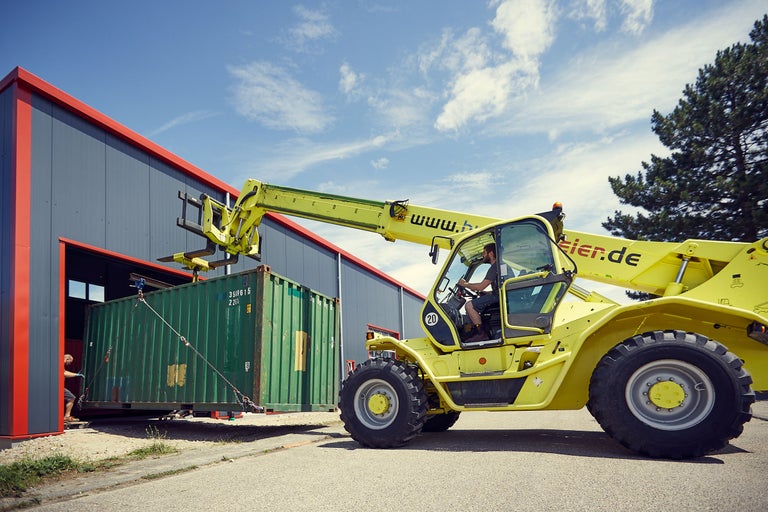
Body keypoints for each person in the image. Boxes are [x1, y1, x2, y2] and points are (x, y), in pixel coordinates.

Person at [458, 243, 498, 342]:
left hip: (499, 297)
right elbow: (498, 289)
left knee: (469, 306)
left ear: (491, 253)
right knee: (477, 302)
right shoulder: (498, 266)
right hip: (499, 296)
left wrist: (465, 284)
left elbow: (480, 286)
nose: (483, 255)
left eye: (484, 252)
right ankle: (475, 331)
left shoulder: (495, 267)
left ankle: (481, 334)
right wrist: (486, 293)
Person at [63, 353, 84, 422]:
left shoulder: (58, 363)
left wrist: (76, 374)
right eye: (70, 361)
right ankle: (67, 416)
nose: (69, 363)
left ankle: (66, 416)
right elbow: (64, 374)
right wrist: (76, 375)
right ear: (67, 359)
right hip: (58, 387)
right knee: (71, 397)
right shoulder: (60, 364)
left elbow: (65, 372)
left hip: (57, 386)